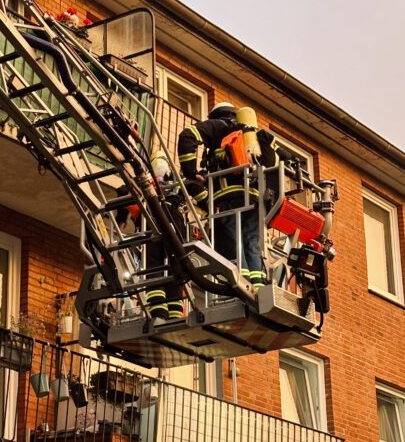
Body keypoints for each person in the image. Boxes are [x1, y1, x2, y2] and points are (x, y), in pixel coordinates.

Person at [177, 103, 289, 287]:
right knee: (252, 239)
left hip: (227, 196)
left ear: (215, 115)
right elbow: (284, 156)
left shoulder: (218, 126)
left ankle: (242, 279)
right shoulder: (254, 134)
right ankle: (258, 282)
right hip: (255, 197)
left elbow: (188, 135)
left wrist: (190, 171)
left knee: (233, 238)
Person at [114, 188, 185, 323]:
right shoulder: (155, 204)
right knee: (173, 269)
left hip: (158, 218)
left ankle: (159, 313)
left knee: (152, 268)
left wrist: (120, 218)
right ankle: (175, 317)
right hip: (174, 220)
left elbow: (125, 199)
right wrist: (122, 218)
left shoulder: (146, 212)